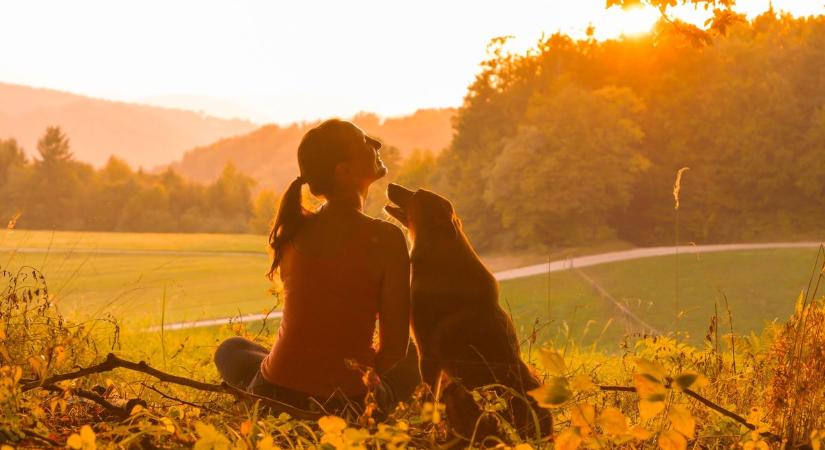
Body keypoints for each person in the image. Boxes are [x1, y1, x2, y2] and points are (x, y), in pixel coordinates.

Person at [213, 119, 416, 415]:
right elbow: (395, 349)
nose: (377, 145)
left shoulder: (294, 228)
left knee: (230, 349)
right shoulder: (387, 239)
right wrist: (360, 384)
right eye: (365, 142)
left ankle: (271, 387)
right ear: (343, 170)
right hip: (348, 403)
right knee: (414, 357)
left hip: (274, 393)